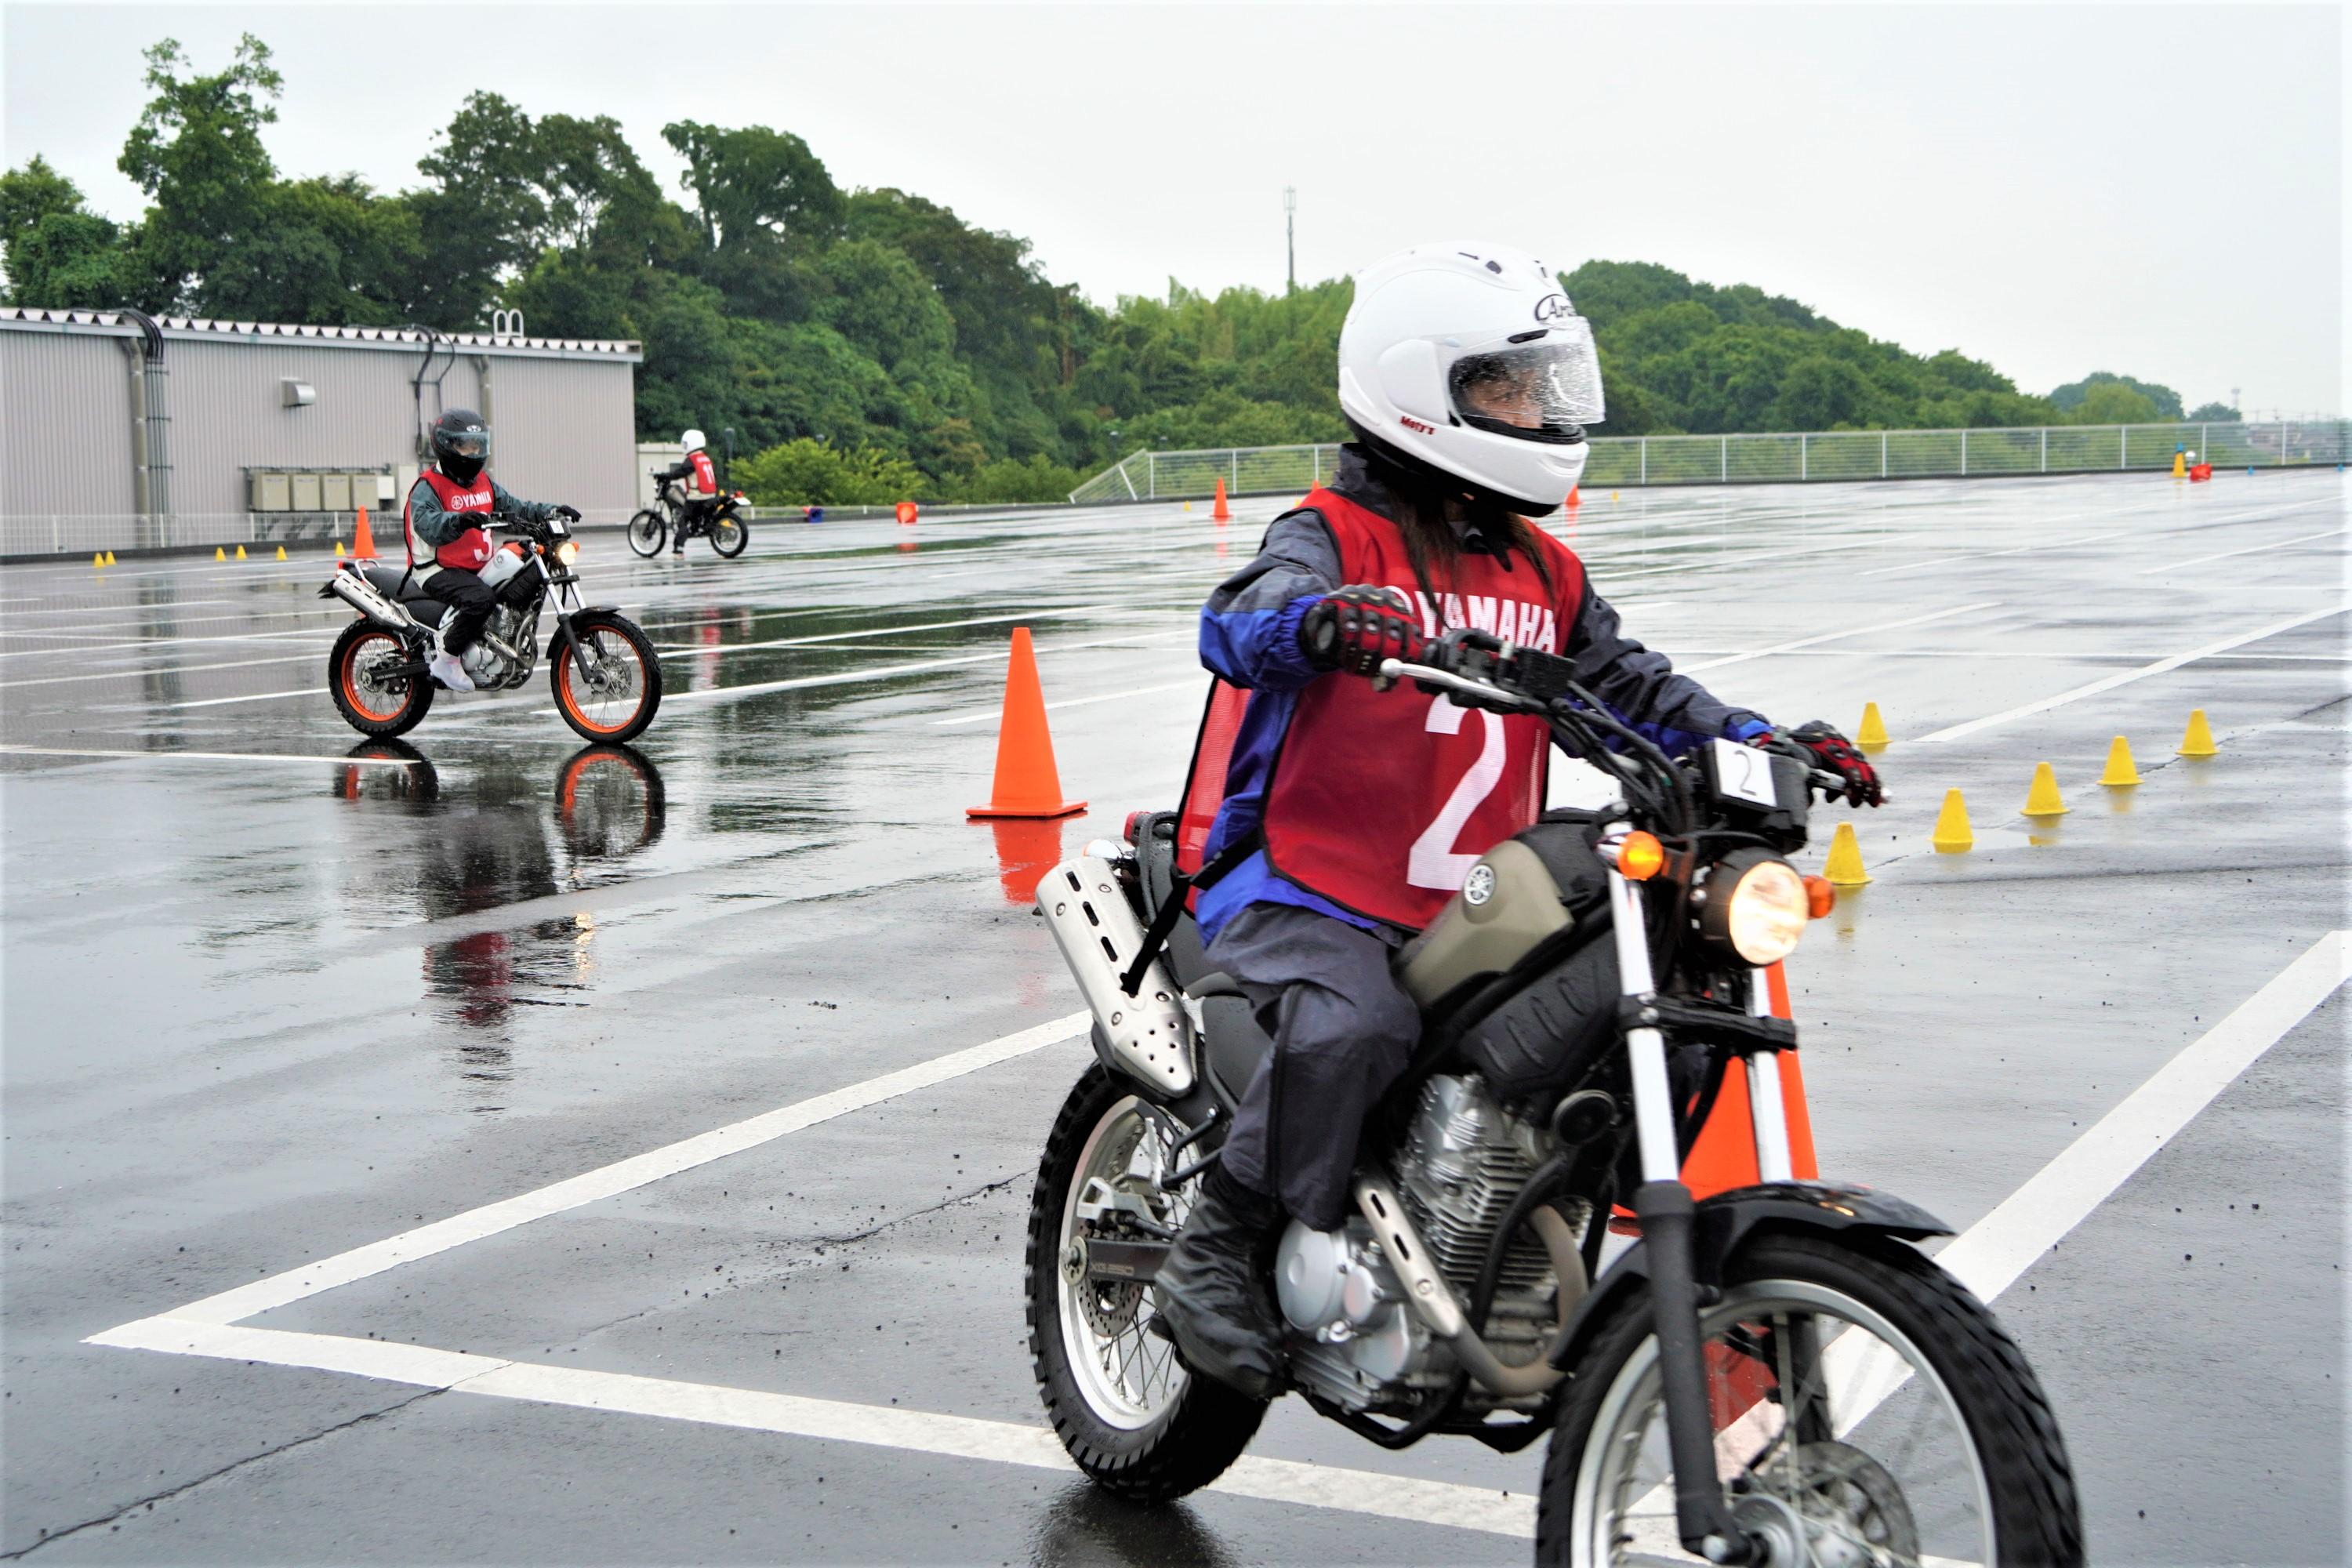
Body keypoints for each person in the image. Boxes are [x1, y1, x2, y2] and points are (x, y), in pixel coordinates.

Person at [1148, 243, 1884, 1399]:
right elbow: (1239, 621)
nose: (1535, 409)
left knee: (1654, 1000)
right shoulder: (1331, 536)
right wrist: (1329, 621)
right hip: (1302, 882)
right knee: (1352, 1028)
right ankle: (1217, 1248)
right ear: (1419, 392)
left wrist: (1763, 742)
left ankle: (1529, 1234)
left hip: (1458, 892)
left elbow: (1634, 693)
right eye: (1506, 387)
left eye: (1541, 386)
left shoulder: (1543, 570)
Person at [403, 408, 579, 691]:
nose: (472, 452)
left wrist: (553, 511)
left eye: (477, 445)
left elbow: (518, 508)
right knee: (481, 599)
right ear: (446, 445)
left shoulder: (484, 483)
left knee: (520, 575)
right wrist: (460, 521)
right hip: (437, 569)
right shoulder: (428, 487)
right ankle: (447, 661)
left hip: (476, 565)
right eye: (465, 445)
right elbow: (428, 525)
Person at [652, 429, 720, 556]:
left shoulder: (692, 459)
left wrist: (665, 476)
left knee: (683, 521)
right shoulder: (705, 458)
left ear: (691, 443)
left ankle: (678, 549)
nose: (684, 446)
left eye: (685, 443)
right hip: (710, 495)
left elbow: (680, 473)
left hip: (697, 497)